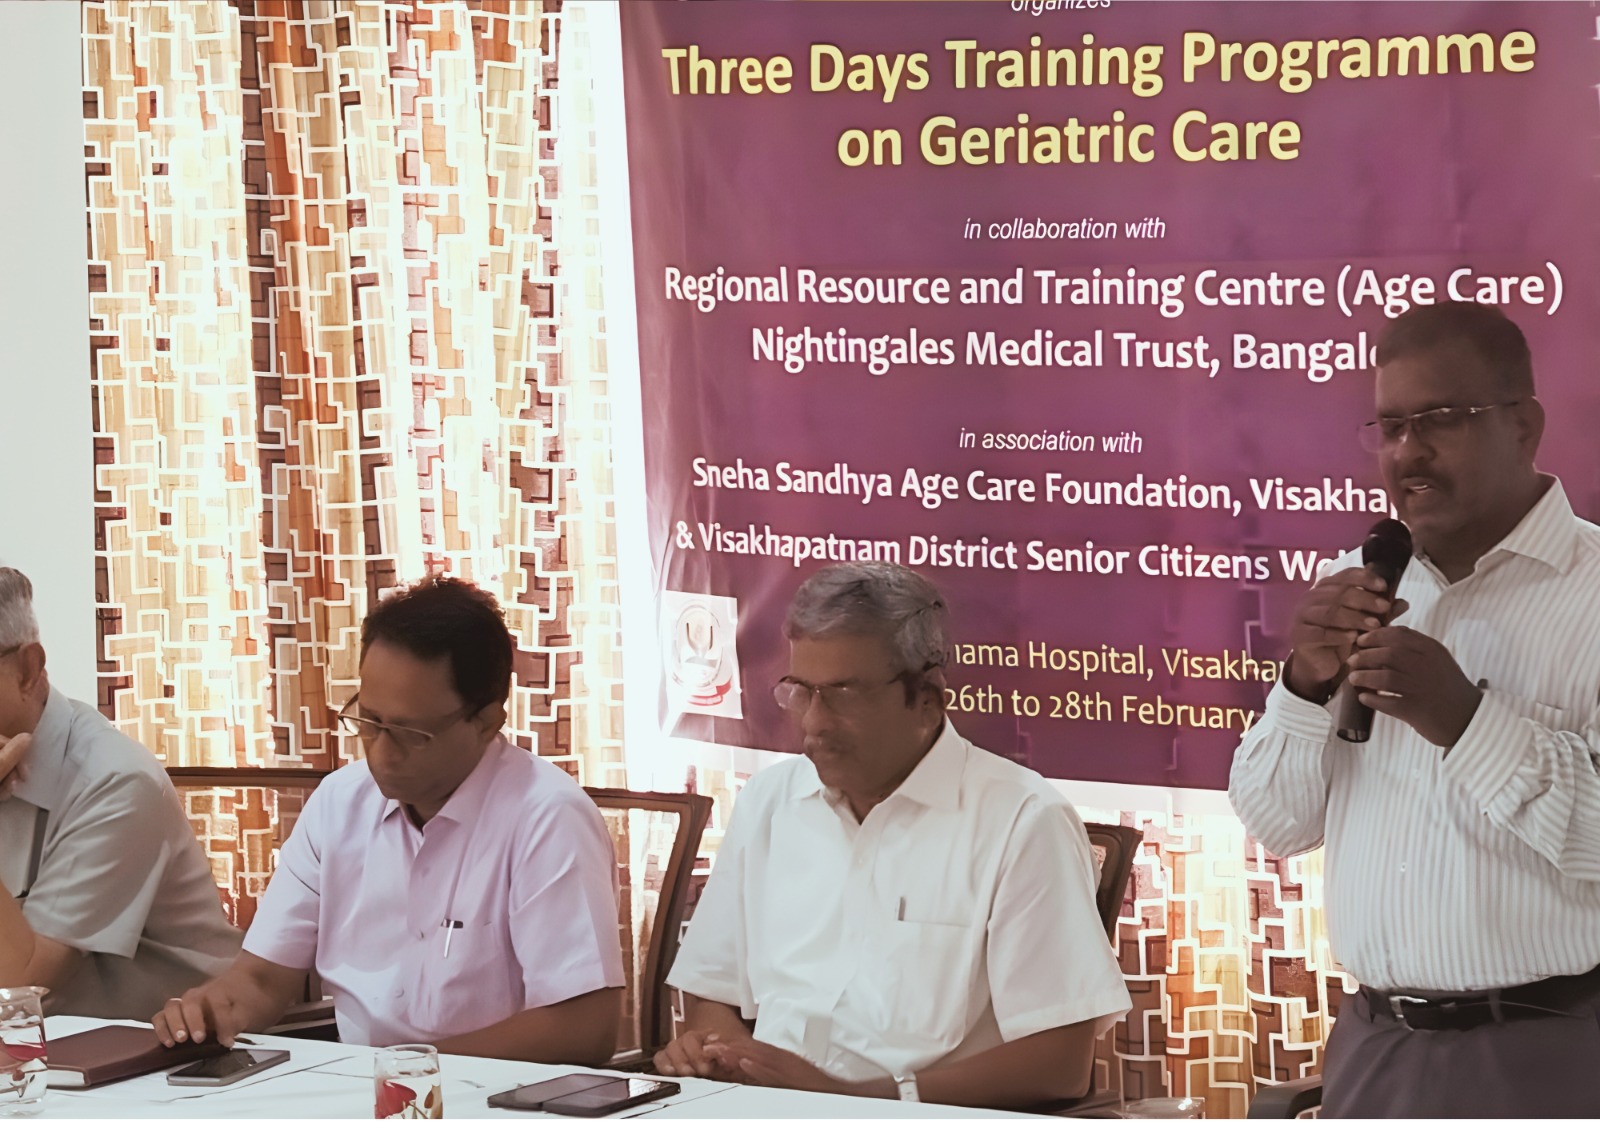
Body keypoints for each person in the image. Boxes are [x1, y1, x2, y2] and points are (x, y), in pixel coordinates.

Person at [1229, 301, 1600, 1117]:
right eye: (1390, 426)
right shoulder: (1361, 582)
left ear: (1524, 426)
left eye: (1440, 421)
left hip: (1549, 1047)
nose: (1408, 453)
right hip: (1373, 1045)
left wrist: (1464, 719)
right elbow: (1275, 822)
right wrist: (1302, 684)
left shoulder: (1594, 592)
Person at [655, 562, 1130, 1109]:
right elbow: (712, 991)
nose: (814, 723)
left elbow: (1060, 1066)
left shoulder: (1022, 820)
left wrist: (857, 1099)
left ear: (927, 698)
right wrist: (730, 1060)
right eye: (801, 692)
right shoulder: (770, 802)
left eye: (844, 694)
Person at [154, 576, 625, 1063]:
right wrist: (214, 1009)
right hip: (365, 1090)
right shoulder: (339, 804)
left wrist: (406, 1072)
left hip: (497, 1099)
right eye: (368, 721)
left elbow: (582, 1030)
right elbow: (262, 979)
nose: (380, 752)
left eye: (408, 733)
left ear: (487, 721)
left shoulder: (547, 818)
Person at [0, 567, 241, 1019]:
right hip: (47, 1063)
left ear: (28, 670)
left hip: (174, 1062)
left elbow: (17, 991)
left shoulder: (116, 781)